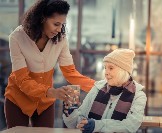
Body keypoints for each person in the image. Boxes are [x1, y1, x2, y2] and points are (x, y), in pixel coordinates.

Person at [4, 0, 95, 129]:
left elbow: (70, 73)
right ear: (42, 19)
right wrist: (52, 92)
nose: (59, 30)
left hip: (44, 103)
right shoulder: (17, 38)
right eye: (56, 24)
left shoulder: (61, 39)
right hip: (18, 100)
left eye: (62, 25)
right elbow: (23, 80)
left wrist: (98, 87)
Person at [63, 49, 147, 133]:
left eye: (111, 68)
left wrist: (97, 126)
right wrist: (71, 114)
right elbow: (78, 123)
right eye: (105, 68)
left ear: (123, 70)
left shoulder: (138, 96)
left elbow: (130, 126)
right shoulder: (97, 88)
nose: (106, 72)